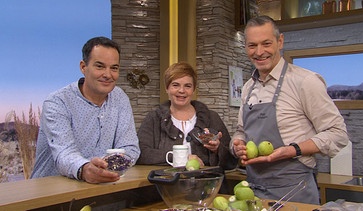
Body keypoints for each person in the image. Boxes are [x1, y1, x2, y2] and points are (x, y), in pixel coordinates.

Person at [230, 16, 349, 204]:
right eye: (252, 45)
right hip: (252, 193)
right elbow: (241, 131)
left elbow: (338, 134)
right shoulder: (247, 88)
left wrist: (292, 150)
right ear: (245, 47)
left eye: (266, 43)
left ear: (280, 41)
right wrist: (237, 144)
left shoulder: (305, 81)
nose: (259, 52)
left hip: (295, 192)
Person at [31, 36, 140, 184]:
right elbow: (64, 153)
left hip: (102, 192)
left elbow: (129, 147)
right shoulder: (58, 102)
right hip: (51, 195)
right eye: (100, 66)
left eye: (114, 68)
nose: (108, 74)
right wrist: (86, 169)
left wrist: (106, 168)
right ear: (83, 67)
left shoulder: (120, 98)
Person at [137, 62, 237, 171]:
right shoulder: (154, 118)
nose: (181, 91)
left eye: (187, 86)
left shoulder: (212, 117)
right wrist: (181, 158)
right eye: (175, 85)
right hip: (165, 185)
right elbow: (141, 153)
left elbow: (232, 161)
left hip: (205, 184)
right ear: (167, 88)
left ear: (193, 90)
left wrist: (218, 149)